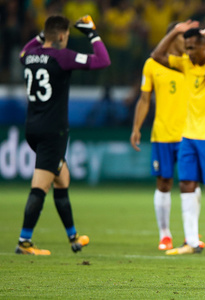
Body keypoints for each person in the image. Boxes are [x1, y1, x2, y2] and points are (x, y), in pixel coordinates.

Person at [15, 15, 111, 255]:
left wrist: (41, 36)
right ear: (60, 36)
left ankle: (73, 238)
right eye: (66, 36)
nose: (67, 40)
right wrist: (92, 33)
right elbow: (103, 60)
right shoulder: (63, 57)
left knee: (62, 178)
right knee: (40, 187)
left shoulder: (30, 56)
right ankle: (24, 241)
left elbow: (24, 51)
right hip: (52, 132)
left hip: (33, 128)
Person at [151, 19, 205, 255]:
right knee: (186, 185)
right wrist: (175, 33)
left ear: (204, 46)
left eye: (192, 47)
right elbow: (156, 56)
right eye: (186, 47)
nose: (188, 52)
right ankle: (191, 241)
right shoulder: (185, 65)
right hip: (188, 135)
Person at [130, 22, 201, 251]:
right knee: (164, 183)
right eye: (182, 37)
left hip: (189, 134)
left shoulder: (192, 63)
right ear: (172, 38)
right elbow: (144, 99)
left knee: (191, 183)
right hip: (162, 134)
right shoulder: (152, 64)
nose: (187, 42)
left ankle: (192, 233)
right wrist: (136, 127)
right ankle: (165, 234)